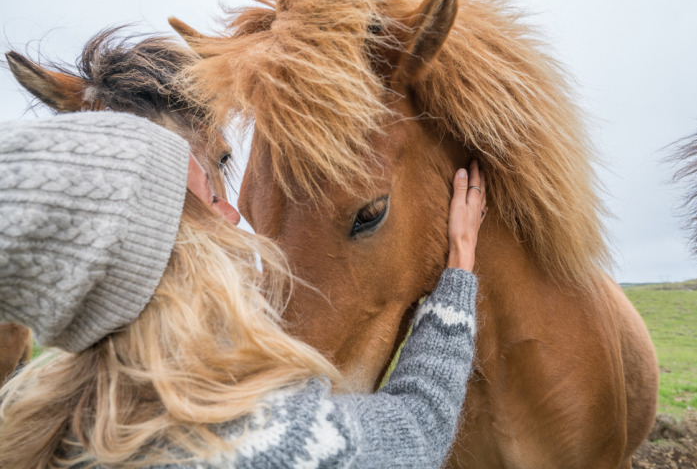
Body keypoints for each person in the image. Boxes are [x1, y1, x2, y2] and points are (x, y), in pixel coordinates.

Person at [0, 112, 486, 468]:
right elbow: (418, 425)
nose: (233, 216)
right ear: (161, 254)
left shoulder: (55, 440)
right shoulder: (253, 447)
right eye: (210, 198)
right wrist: (458, 275)